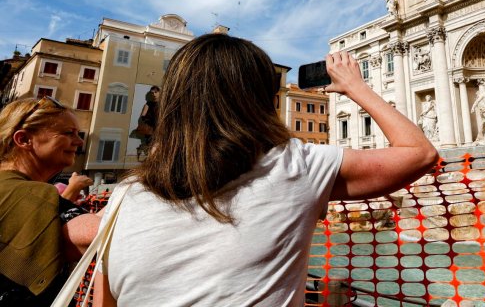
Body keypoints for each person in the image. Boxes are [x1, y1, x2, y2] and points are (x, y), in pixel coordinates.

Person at [93, 33, 438, 306]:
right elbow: (419, 153)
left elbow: (105, 300)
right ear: (262, 99)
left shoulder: (125, 195)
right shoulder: (295, 167)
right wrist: (355, 86)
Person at [0, 96, 102, 306]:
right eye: (68, 133)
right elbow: (105, 233)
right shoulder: (28, 194)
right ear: (24, 139)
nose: (80, 141)